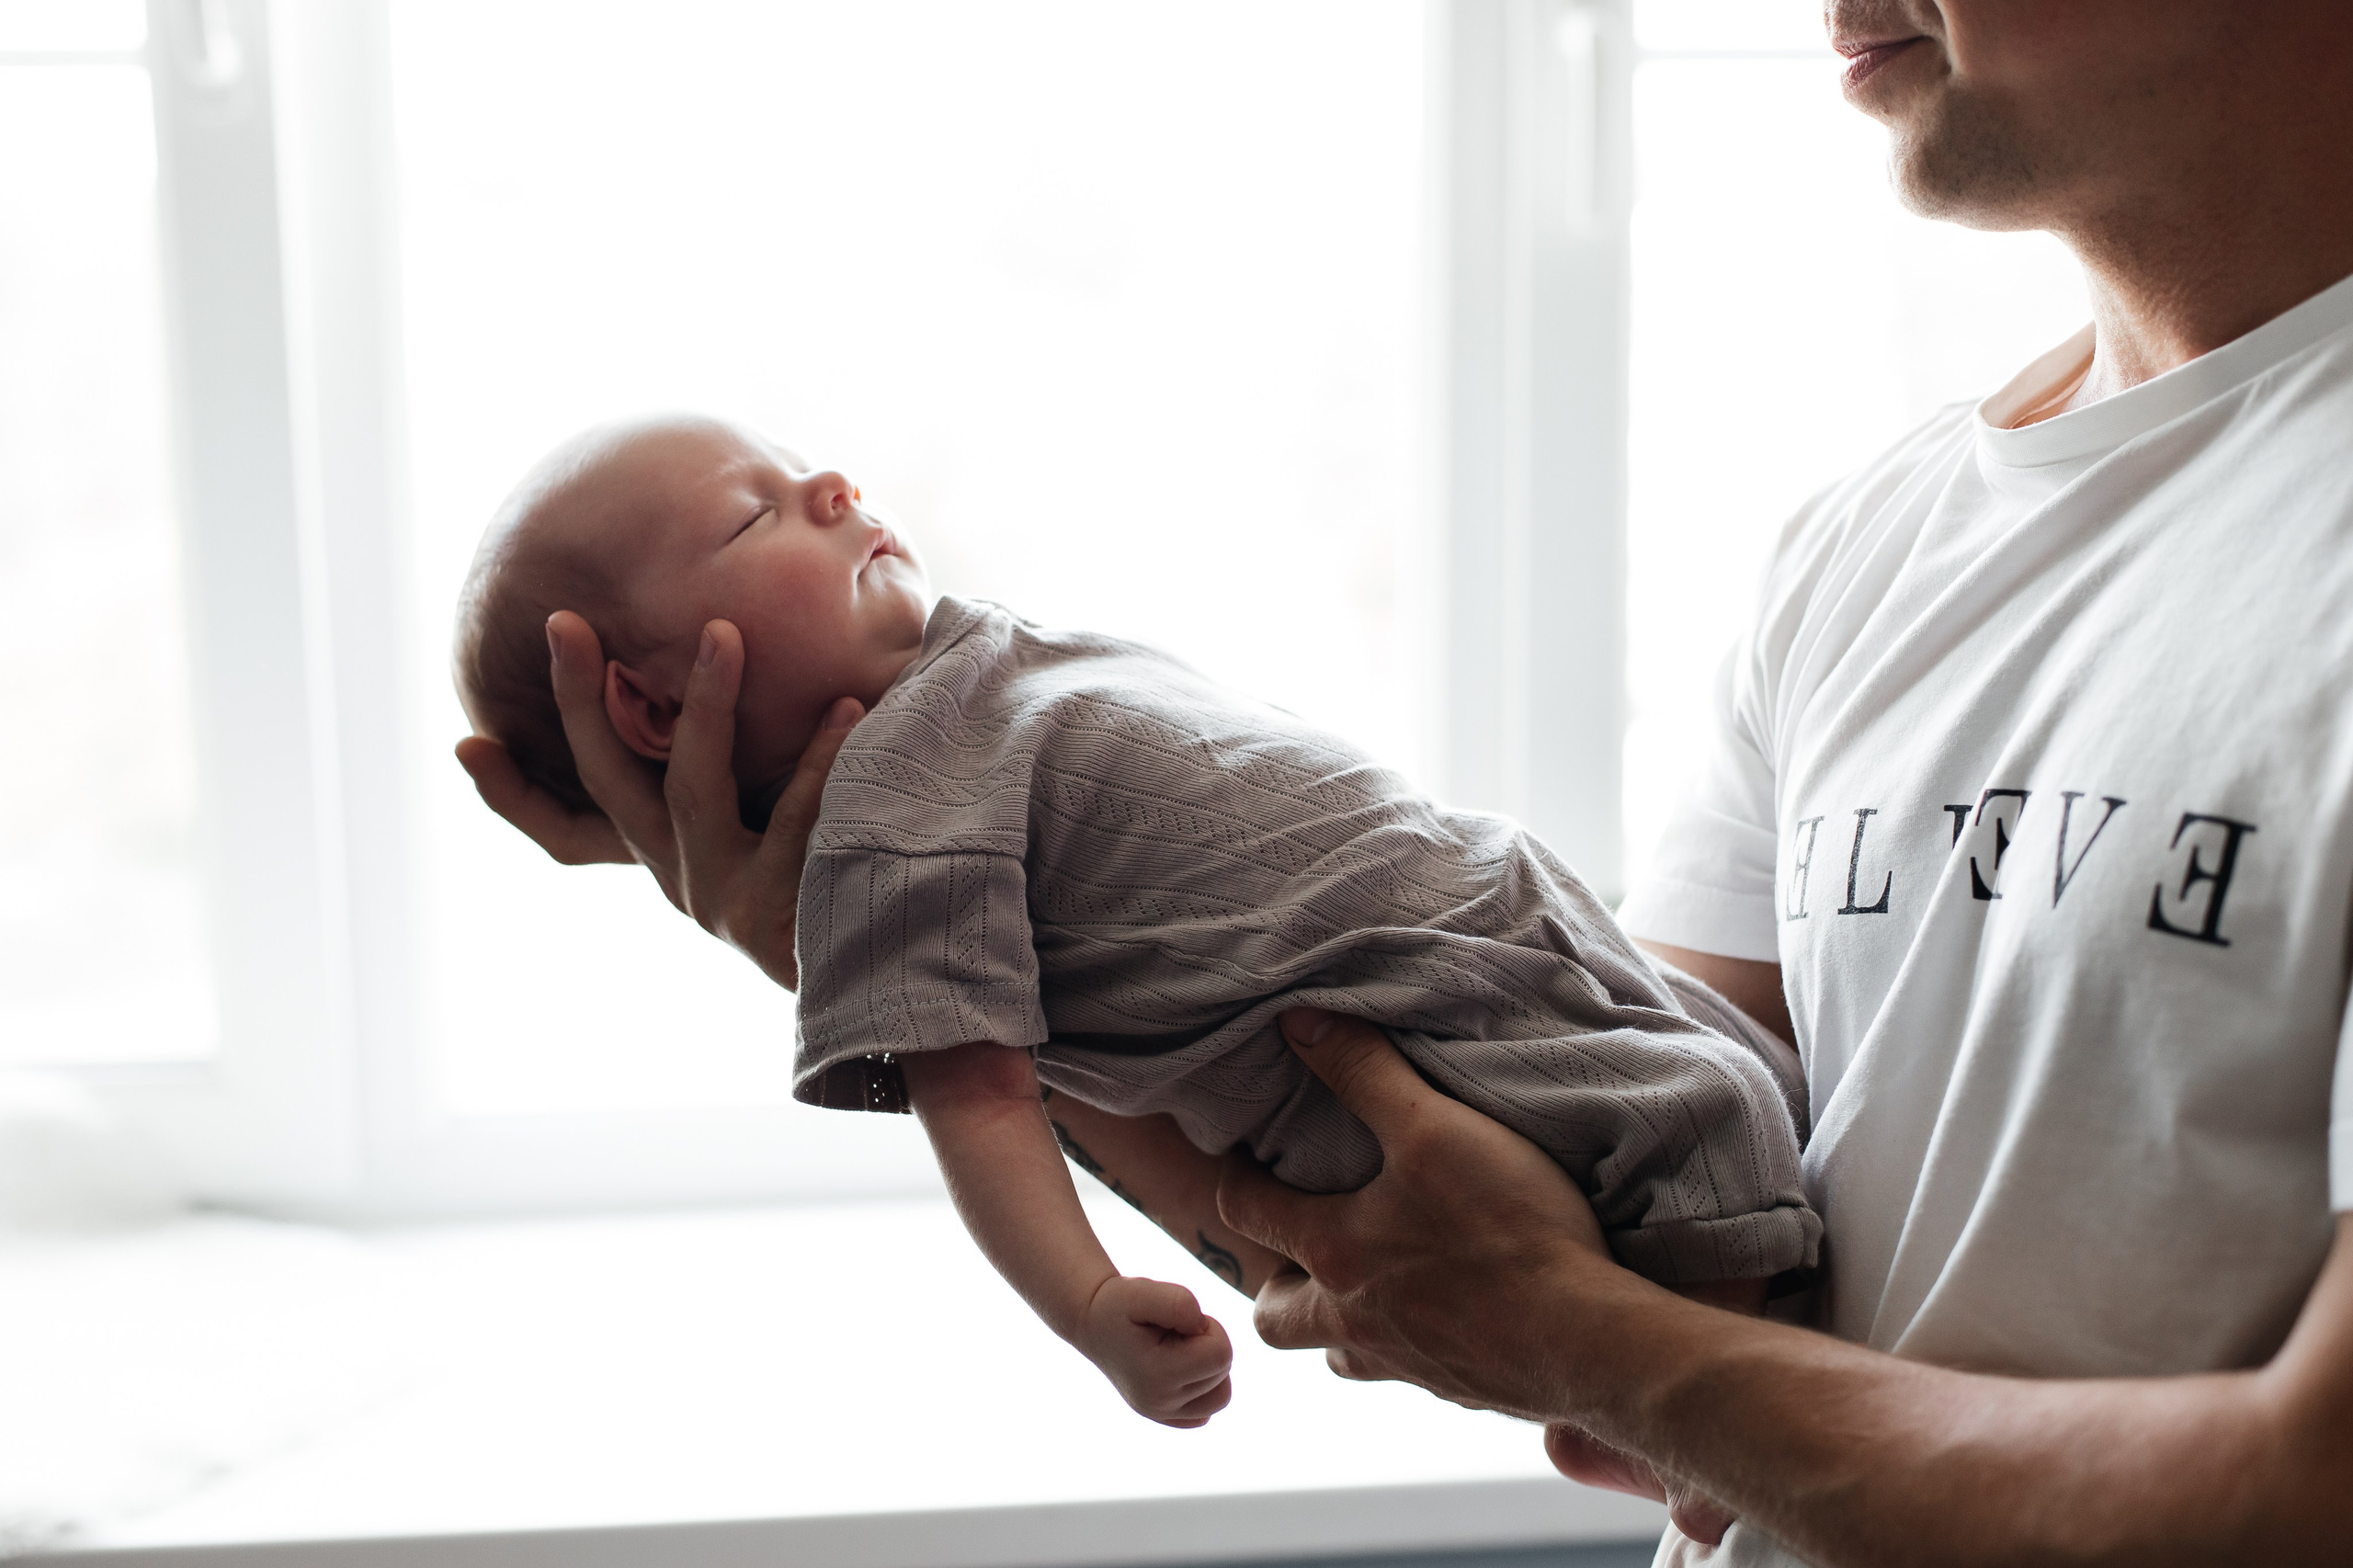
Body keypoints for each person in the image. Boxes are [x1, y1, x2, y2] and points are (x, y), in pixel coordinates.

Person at [460, 1, 2353, 1559]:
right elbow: (1481, 1197)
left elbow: (2304, 1491)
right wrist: (901, 964)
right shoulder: (1874, 543)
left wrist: (1599, 1350)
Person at [452, 415, 1813, 1429]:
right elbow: (974, 1096)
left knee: (1775, 1098)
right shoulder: (889, 812)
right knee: (1710, 1125)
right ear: (649, 706)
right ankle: (1701, 1434)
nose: (831, 486)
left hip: (1496, 932)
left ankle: (1716, 1400)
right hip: (1427, 1015)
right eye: (757, 520)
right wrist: (1090, 1308)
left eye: (806, 469)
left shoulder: (966, 670)